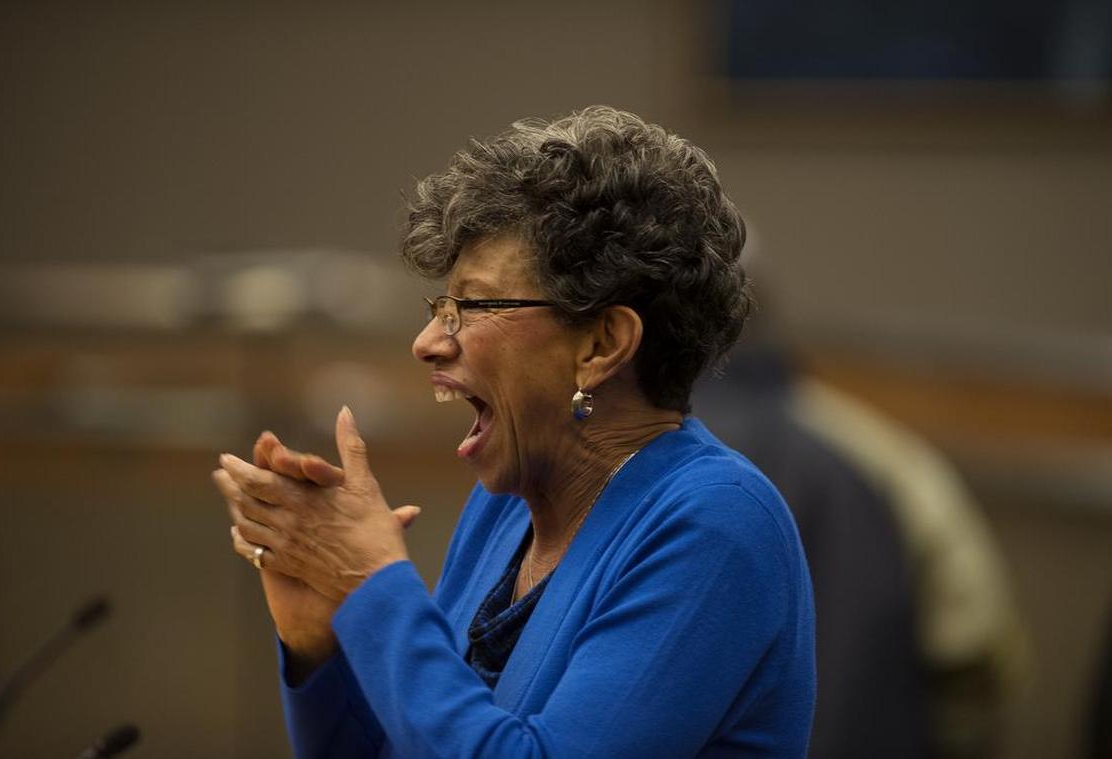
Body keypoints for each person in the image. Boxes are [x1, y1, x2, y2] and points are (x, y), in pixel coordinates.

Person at [212, 106, 816, 757]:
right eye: (439, 308)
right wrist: (323, 640)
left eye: (471, 305)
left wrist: (373, 586)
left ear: (603, 342)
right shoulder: (505, 507)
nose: (426, 342)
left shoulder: (716, 522)